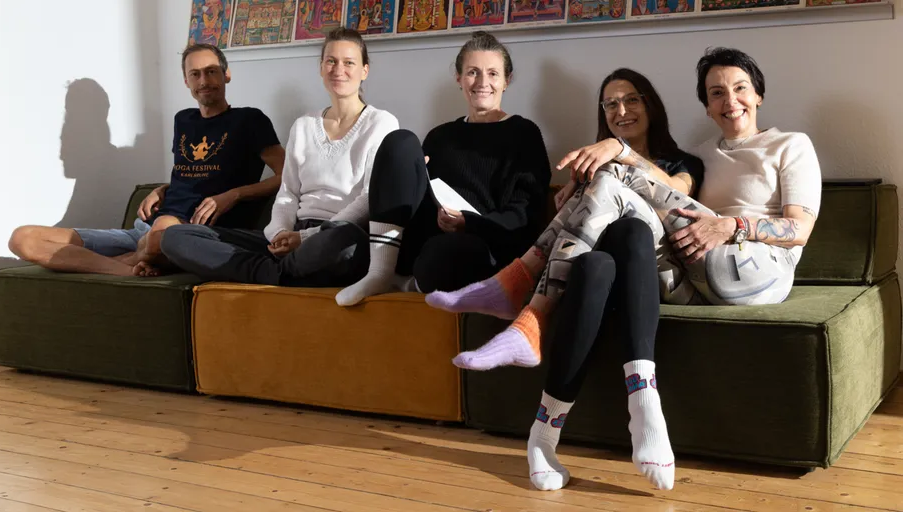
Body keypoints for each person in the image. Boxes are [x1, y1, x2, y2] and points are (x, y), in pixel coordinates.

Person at [427, 68, 703, 491]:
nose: (621, 110)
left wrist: (621, 153)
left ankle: (521, 298)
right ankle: (554, 435)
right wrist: (575, 196)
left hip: (654, 275)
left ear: (650, 105)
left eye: (631, 99)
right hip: (594, 274)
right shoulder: (591, 168)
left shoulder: (683, 163)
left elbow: (677, 192)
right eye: (610, 103)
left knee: (628, 224)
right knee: (593, 267)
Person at [8, 44, 284, 277]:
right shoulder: (183, 120)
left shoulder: (250, 120)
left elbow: (286, 175)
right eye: (195, 74)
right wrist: (163, 189)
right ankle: (127, 269)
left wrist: (233, 195)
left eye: (211, 72)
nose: (204, 81)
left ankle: (112, 262)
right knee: (22, 238)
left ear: (226, 75)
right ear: (186, 81)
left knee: (160, 236)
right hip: (145, 229)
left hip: (185, 236)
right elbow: (191, 174)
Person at [161, 28, 399, 287]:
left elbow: (369, 197)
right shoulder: (304, 125)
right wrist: (280, 233)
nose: (338, 69)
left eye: (349, 62)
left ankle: (268, 271)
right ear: (321, 68)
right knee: (176, 237)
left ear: (364, 70)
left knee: (346, 245)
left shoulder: (381, 123)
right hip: (294, 235)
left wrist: (307, 237)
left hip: (336, 235)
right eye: (330, 61)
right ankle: (278, 273)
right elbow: (287, 194)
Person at [334, 30, 551, 306]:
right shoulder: (440, 136)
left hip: (482, 243)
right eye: (473, 72)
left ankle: (409, 281)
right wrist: (414, 175)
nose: (483, 82)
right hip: (426, 235)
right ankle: (381, 272)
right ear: (459, 78)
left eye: (493, 74)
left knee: (447, 253)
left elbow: (524, 217)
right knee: (400, 142)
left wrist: (467, 222)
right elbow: (416, 203)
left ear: (507, 81)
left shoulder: (524, 134)